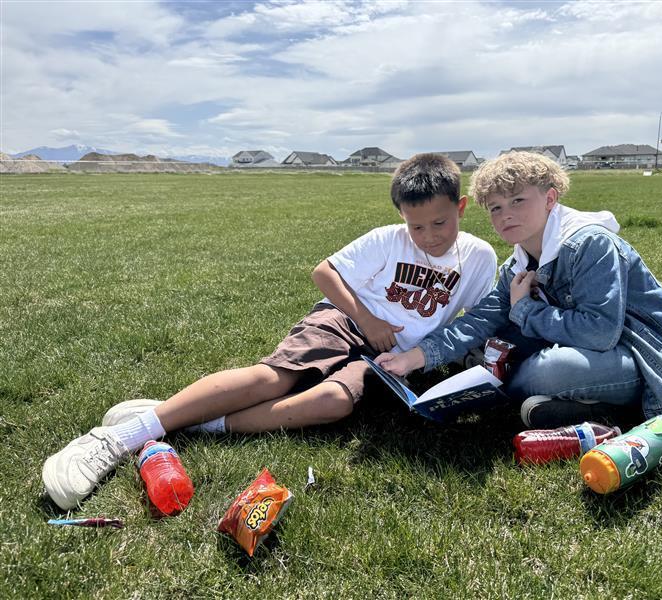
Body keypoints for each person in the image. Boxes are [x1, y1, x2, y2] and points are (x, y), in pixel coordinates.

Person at [42, 153, 497, 510]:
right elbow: (325, 272)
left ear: (460, 207)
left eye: (439, 223)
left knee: (334, 403)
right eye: (416, 226)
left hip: (391, 359)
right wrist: (369, 320)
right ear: (401, 217)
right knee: (274, 376)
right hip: (344, 320)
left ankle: (199, 422)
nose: (429, 235)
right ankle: (118, 438)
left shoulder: (479, 259)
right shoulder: (386, 238)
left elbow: (477, 318)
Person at [376, 151, 662, 430]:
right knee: (493, 337)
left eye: (518, 201)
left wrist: (525, 310)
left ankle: (578, 401)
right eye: (496, 208)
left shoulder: (590, 244)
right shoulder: (519, 262)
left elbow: (600, 333)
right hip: (593, 354)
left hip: (643, 360)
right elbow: (480, 319)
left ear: (550, 198)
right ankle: (580, 406)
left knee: (547, 369)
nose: (506, 215)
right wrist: (413, 358)